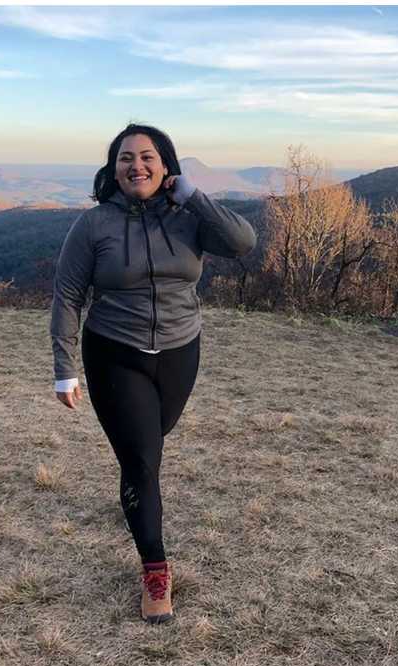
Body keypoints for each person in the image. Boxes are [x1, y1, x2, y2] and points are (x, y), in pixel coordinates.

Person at [49, 123, 256, 624]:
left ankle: (137, 491)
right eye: (126, 158)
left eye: (147, 157)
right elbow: (68, 294)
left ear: (166, 166)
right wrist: (64, 367)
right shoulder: (94, 224)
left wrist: (193, 196)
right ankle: (155, 571)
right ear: (113, 168)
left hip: (181, 350)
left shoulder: (188, 217)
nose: (136, 166)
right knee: (142, 461)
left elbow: (242, 242)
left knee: (150, 444)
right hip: (114, 351)